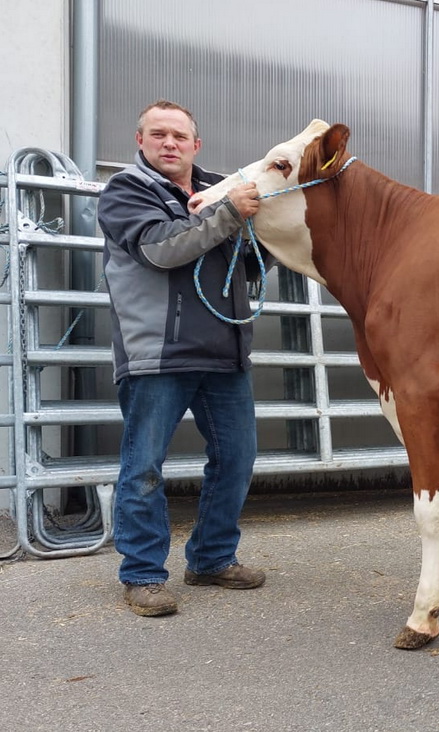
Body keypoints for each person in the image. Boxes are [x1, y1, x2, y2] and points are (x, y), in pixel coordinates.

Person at [98, 99, 267, 617]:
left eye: (179, 135)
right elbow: (160, 249)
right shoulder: (125, 191)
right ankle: (143, 575)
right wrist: (230, 214)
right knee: (144, 467)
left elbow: (255, 263)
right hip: (158, 354)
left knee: (237, 459)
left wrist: (251, 228)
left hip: (223, 352)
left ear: (196, 144)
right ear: (140, 140)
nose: (169, 143)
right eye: (158, 134)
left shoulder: (221, 190)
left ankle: (212, 559)